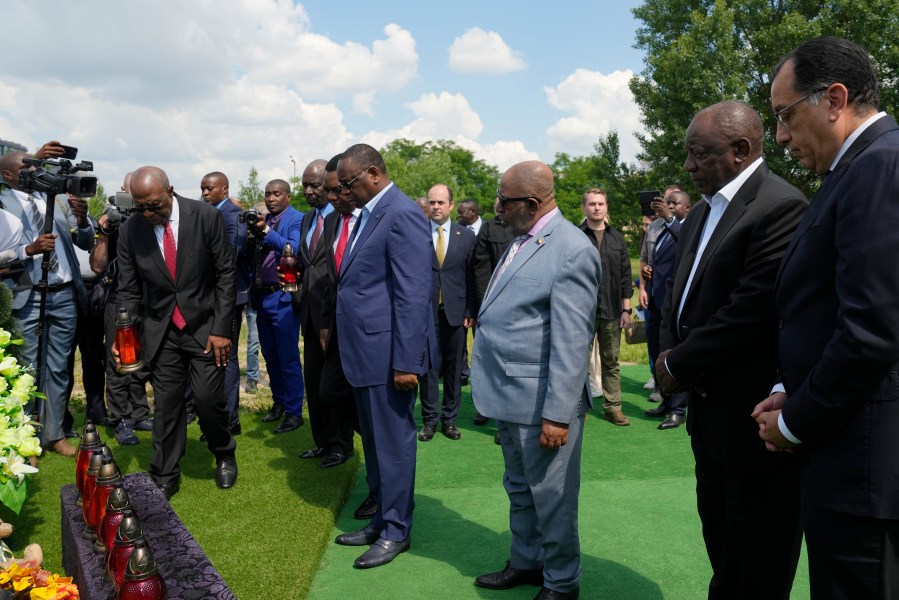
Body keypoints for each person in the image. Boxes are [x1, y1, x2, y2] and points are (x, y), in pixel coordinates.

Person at [753, 36, 899, 599]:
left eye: (785, 115)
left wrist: (795, 421)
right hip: (847, 458)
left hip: (863, 470)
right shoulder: (857, 168)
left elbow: (872, 330)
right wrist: (794, 389)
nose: (782, 136)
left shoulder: (880, 167)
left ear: (835, 99)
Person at [654, 101, 807, 599]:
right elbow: (676, 297)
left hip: (755, 423)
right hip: (709, 418)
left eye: (699, 154)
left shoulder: (781, 205)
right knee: (722, 547)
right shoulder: (702, 210)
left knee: (759, 560)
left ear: (741, 150)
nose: (688, 166)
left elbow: (751, 310)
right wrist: (666, 351)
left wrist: (677, 362)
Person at [472, 161, 599, 600]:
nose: (496, 208)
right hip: (510, 397)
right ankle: (527, 563)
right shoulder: (522, 238)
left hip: (543, 404)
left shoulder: (571, 248)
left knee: (553, 500)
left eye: (503, 201)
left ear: (530, 203)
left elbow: (571, 340)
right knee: (522, 491)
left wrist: (558, 416)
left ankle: (561, 582)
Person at [331, 143, 435, 569]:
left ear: (373, 173)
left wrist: (407, 362)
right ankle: (380, 519)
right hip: (363, 351)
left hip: (389, 354)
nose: (345, 191)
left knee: (392, 444)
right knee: (374, 442)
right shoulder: (370, 214)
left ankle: (396, 530)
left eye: (349, 183)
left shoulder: (402, 213)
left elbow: (414, 294)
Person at [115, 166, 237, 499]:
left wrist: (222, 329)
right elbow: (127, 289)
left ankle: (224, 451)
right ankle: (165, 472)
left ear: (169, 191)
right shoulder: (130, 231)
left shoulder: (205, 217)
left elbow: (226, 274)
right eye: (141, 206)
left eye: (154, 205)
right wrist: (123, 335)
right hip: (161, 330)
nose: (148, 213)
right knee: (167, 404)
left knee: (207, 399)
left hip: (206, 328)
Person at [0, 147, 95, 457]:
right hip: (27, 294)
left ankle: (54, 435)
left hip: (65, 293)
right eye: (28, 170)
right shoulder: (3, 204)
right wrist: (28, 250)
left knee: (58, 368)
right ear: (8, 176)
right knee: (26, 367)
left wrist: (82, 221)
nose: (36, 175)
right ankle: (23, 439)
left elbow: (85, 241)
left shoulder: (56, 199)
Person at [91, 173, 153, 446]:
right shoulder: (111, 220)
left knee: (143, 359)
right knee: (119, 360)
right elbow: (97, 266)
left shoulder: (153, 219)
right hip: (118, 298)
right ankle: (121, 419)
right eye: (130, 192)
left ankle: (139, 413)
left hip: (149, 299)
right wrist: (104, 234)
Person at [296, 159, 351, 467]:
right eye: (305, 185)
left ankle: (342, 445)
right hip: (309, 314)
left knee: (335, 384)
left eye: (315, 185)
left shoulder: (343, 220)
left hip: (333, 316)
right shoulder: (308, 220)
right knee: (314, 381)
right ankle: (322, 441)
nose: (309, 191)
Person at [418, 184, 475, 442]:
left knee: (453, 369)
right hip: (425, 311)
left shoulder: (466, 236)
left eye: (441, 202)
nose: (436, 207)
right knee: (428, 367)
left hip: (456, 312)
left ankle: (449, 420)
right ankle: (429, 420)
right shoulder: (417, 234)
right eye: (432, 202)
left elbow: (472, 276)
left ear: (451, 205)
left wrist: (471, 310)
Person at [250, 179, 305, 434]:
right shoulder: (263, 220)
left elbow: (291, 247)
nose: (271, 198)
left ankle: (294, 412)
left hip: (283, 296)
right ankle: (279, 403)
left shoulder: (296, 219)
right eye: (267, 194)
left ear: (288, 197)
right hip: (261, 297)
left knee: (287, 357)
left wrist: (264, 233)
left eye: (276, 194)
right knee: (270, 356)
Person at [579, 188, 632, 426]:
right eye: (592, 204)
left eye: (600, 203)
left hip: (611, 310)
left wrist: (626, 309)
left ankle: (613, 408)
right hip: (581, 312)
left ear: (606, 207)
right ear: (584, 208)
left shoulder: (618, 238)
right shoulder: (575, 236)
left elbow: (624, 275)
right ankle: (578, 406)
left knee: (611, 362)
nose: (596, 208)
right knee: (578, 362)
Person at [200, 171, 248, 436]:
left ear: (224, 189)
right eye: (202, 189)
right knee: (213, 356)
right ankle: (217, 414)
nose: (205, 193)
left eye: (209, 189)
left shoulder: (233, 214)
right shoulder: (212, 214)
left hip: (229, 296)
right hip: (211, 296)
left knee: (226, 358)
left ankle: (229, 420)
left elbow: (232, 252)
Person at [642, 189, 691, 429]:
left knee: (673, 353)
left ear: (687, 209)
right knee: (656, 351)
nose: (669, 206)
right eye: (667, 203)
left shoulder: (688, 228)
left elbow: (685, 245)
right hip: (655, 300)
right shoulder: (657, 229)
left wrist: (670, 220)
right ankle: (665, 400)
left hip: (674, 303)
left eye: (675, 203)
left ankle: (678, 410)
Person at [470, 196, 513, 432]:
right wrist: (482, 307)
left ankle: (505, 419)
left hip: (519, 309)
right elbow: (480, 269)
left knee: (510, 363)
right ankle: (484, 406)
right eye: (499, 200)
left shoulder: (529, 227)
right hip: (490, 305)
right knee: (486, 360)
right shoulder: (488, 228)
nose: (501, 204)